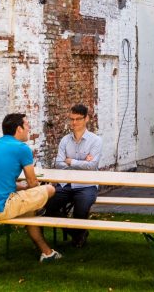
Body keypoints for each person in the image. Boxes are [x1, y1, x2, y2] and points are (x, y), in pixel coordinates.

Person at [0, 112, 61, 262]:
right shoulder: (22, 148)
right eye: (27, 125)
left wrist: (23, 189)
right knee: (50, 189)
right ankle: (44, 241)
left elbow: (0, 180)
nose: (29, 128)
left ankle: (47, 252)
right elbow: (33, 183)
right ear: (19, 129)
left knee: (29, 207)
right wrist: (38, 191)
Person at [44, 104, 102, 248]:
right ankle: (78, 234)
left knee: (81, 210)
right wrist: (82, 162)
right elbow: (58, 163)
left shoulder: (95, 140)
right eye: (72, 119)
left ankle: (78, 237)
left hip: (86, 185)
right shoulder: (65, 140)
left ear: (86, 119)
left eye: (78, 119)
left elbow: (92, 165)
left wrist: (71, 161)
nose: (74, 123)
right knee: (48, 207)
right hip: (66, 184)